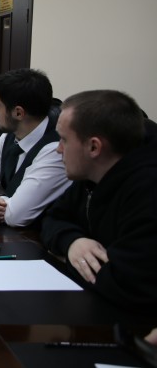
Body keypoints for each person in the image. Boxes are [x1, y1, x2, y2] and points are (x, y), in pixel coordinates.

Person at [40, 90, 157, 315]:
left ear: (94, 147)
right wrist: (73, 242)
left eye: (64, 140)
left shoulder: (147, 191)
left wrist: (65, 257)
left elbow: (127, 283)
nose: (58, 149)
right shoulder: (89, 176)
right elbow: (53, 217)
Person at [0, 69, 71, 227]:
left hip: (36, 238)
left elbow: (16, 215)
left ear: (18, 113)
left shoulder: (56, 149)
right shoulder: (8, 136)